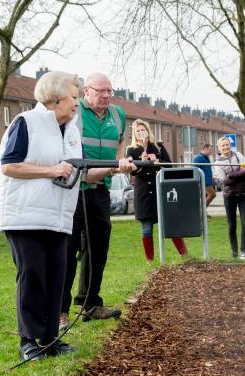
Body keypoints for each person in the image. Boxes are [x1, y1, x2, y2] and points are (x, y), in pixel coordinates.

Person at [0, 71, 110, 360]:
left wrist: (118, 167)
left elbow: (82, 171)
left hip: (58, 218)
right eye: (74, 96)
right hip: (25, 216)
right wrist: (52, 169)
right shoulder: (26, 123)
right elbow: (9, 166)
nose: (76, 103)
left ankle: (50, 339)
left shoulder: (71, 131)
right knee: (32, 275)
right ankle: (29, 341)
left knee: (57, 278)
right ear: (55, 98)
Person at [60, 72, 132, 330]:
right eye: (101, 91)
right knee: (67, 251)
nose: (106, 96)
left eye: (110, 91)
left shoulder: (117, 114)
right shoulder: (73, 112)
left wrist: (119, 160)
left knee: (97, 248)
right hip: (74, 191)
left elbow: (120, 140)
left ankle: (90, 303)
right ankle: (61, 311)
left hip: (100, 191)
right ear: (86, 91)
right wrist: (115, 167)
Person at [126, 119, 188, 262]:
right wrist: (141, 162)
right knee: (146, 228)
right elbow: (132, 171)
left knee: (171, 224)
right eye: (138, 131)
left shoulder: (158, 146)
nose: (141, 133)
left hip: (160, 191)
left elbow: (169, 166)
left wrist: (157, 161)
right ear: (135, 134)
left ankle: (184, 254)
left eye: (143, 130)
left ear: (148, 131)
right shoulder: (131, 150)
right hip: (143, 194)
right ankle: (150, 260)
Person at [215, 136, 245, 259]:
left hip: (243, 194)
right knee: (232, 225)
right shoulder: (217, 162)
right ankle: (234, 252)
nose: (225, 147)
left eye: (227, 144)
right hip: (229, 196)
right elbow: (224, 180)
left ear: (230, 145)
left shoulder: (238, 155)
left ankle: (244, 250)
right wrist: (238, 173)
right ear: (219, 148)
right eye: (223, 145)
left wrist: (232, 175)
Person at [193, 144, 216, 215]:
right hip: (204, 182)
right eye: (210, 150)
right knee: (212, 194)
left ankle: (203, 212)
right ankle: (201, 211)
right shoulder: (199, 158)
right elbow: (195, 170)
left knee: (205, 197)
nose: (210, 152)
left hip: (208, 181)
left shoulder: (206, 158)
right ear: (205, 149)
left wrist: (212, 176)